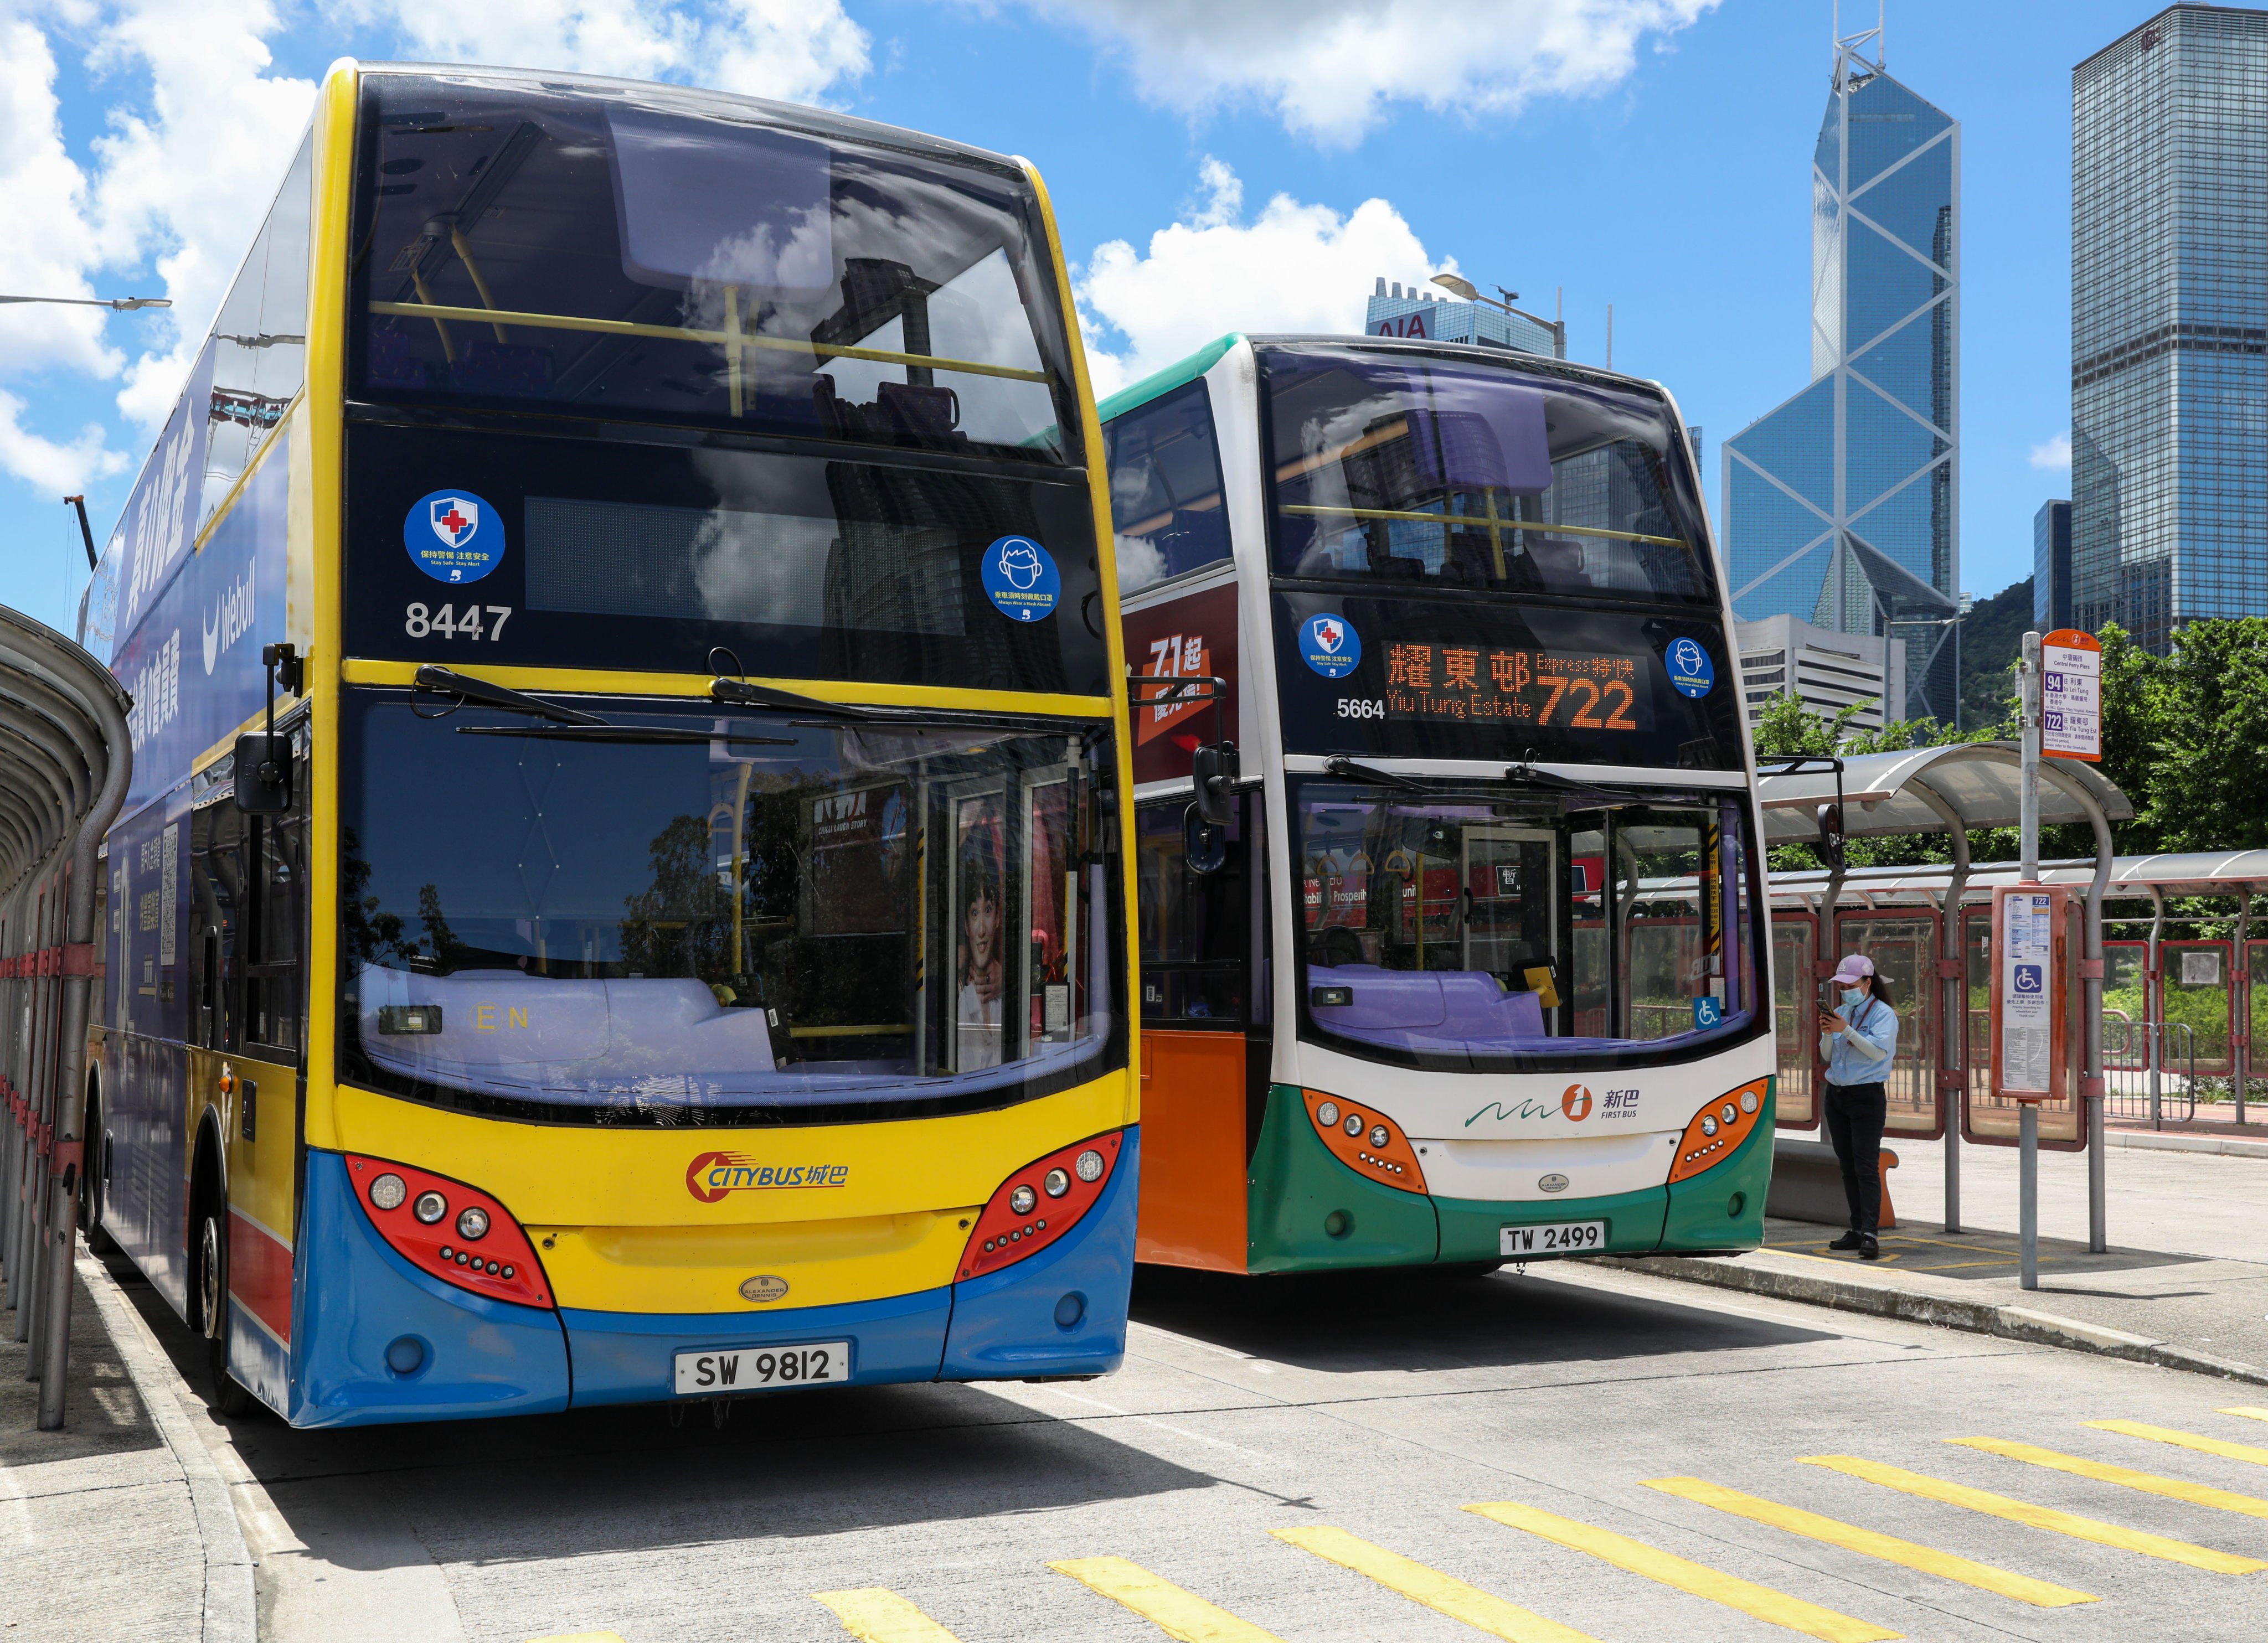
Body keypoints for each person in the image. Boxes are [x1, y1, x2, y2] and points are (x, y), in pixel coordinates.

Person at [1818, 953, 1898, 1259]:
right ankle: (1855, 1229)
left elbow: (1878, 1053)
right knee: (1848, 1166)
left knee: (1866, 1166)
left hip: (1866, 1096)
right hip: (1837, 1095)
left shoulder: (1883, 1015)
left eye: (1851, 984)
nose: (1845, 990)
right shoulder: (1840, 1012)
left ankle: (1870, 1233)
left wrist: (1844, 1030)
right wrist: (1829, 1033)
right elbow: (1827, 1056)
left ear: (1867, 983)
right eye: (1841, 985)